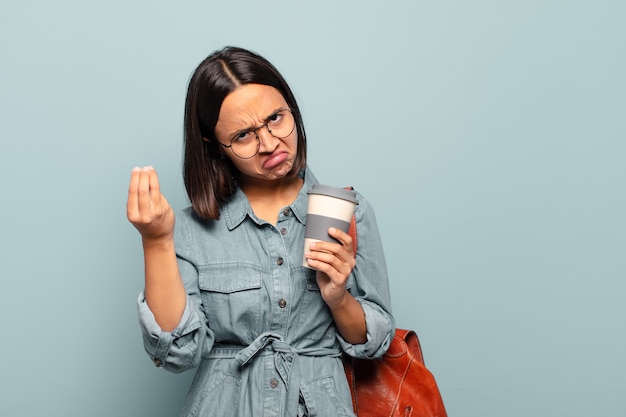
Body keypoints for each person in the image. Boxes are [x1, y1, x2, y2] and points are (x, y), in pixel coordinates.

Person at [126, 46, 394, 417]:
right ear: (215, 146)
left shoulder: (345, 210)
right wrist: (155, 241)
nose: (269, 144)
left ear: (292, 109)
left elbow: (377, 342)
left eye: (276, 118)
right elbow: (179, 353)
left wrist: (337, 298)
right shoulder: (189, 229)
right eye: (243, 136)